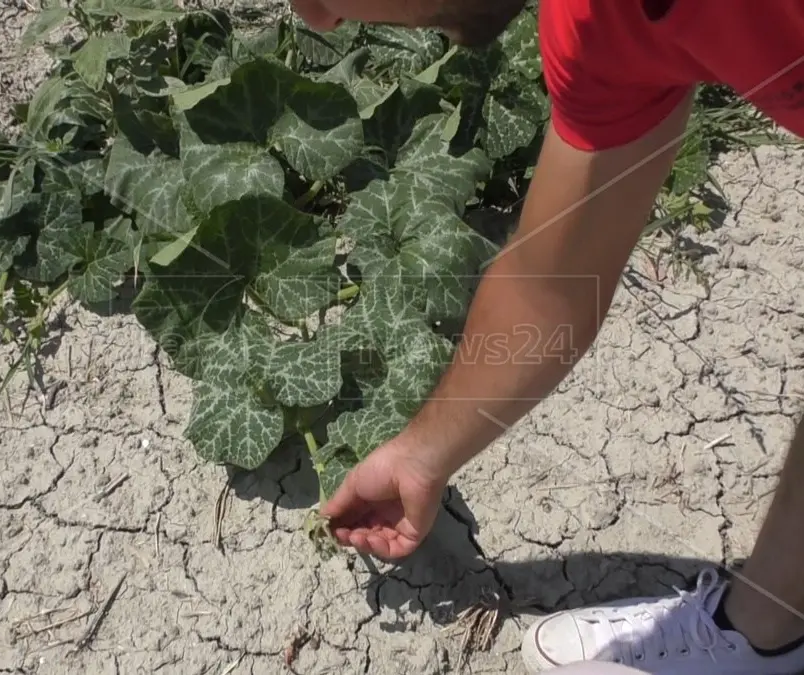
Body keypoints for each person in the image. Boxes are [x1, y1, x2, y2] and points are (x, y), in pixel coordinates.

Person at [291, 0, 804, 673]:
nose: (316, 18)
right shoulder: (595, 20)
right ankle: (768, 628)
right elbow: (555, 279)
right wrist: (423, 453)